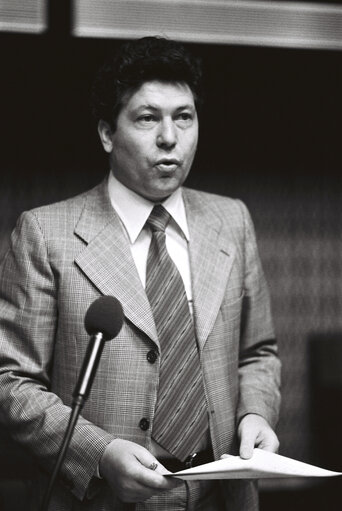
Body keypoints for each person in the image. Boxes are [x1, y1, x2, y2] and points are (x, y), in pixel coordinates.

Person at [0, 36, 281, 510]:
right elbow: (10, 380)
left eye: (184, 117)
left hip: (224, 496)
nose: (169, 137)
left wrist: (256, 412)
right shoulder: (45, 234)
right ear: (108, 133)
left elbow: (258, 352)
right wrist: (100, 454)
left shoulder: (232, 220)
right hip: (103, 499)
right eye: (148, 118)